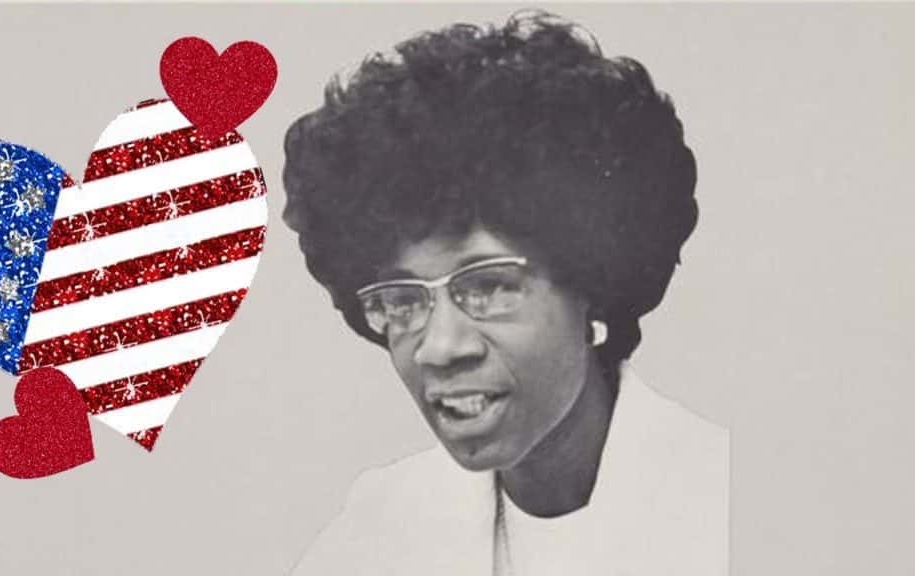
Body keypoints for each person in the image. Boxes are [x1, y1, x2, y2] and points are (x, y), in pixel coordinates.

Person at [282, 11, 727, 576]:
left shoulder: (734, 511)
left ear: (591, 282)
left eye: (489, 285)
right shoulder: (376, 535)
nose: (439, 348)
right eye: (403, 299)